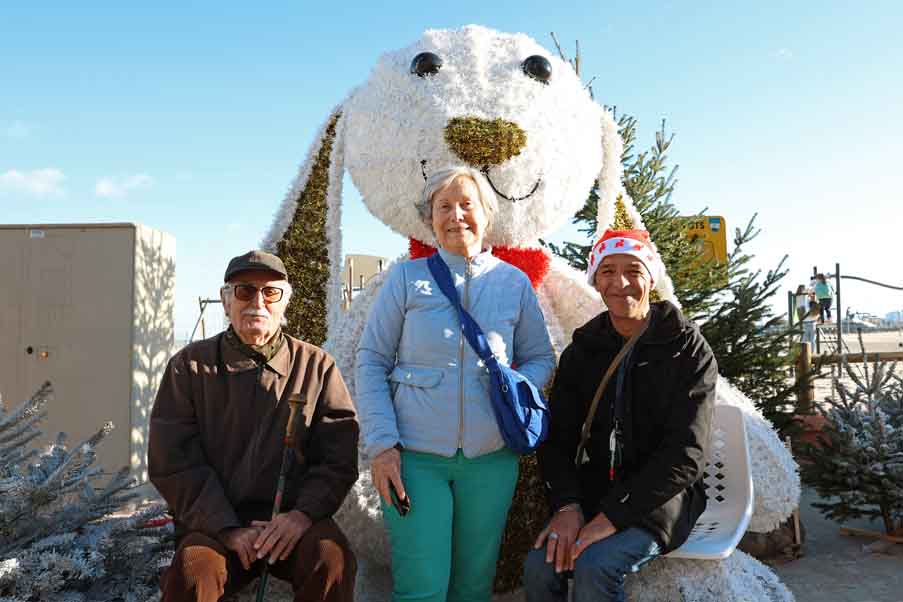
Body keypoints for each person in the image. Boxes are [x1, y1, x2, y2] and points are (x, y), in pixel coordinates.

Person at [355, 166, 556, 602]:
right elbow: (370, 360)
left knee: (472, 586)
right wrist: (383, 445)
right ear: (430, 219)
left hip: (491, 460)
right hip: (414, 461)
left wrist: (516, 387)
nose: (456, 215)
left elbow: (541, 357)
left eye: (467, 204)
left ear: (487, 213)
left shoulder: (513, 283)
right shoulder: (406, 279)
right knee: (420, 588)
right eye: (444, 206)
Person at [149, 250, 359, 602]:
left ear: (285, 302)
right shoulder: (189, 366)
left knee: (332, 559)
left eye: (270, 292)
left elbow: (337, 458)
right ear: (225, 300)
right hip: (215, 526)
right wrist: (227, 528)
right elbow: (173, 462)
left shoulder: (317, 366)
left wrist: (301, 516)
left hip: (292, 524)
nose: (257, 302)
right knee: (192, 571)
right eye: (245, 291)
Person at [523, 229, 716, 602]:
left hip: (660, 498)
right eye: (608, 270)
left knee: (597, 565)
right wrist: (567, 505)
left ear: (651, 277)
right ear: (595, 278)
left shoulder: (686, 347)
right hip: (594, 493)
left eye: (633, 270)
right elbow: (557, 437)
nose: (620, 283)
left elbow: (686, 454)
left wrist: (611, 518)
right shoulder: (584, 349)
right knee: (539, 566)